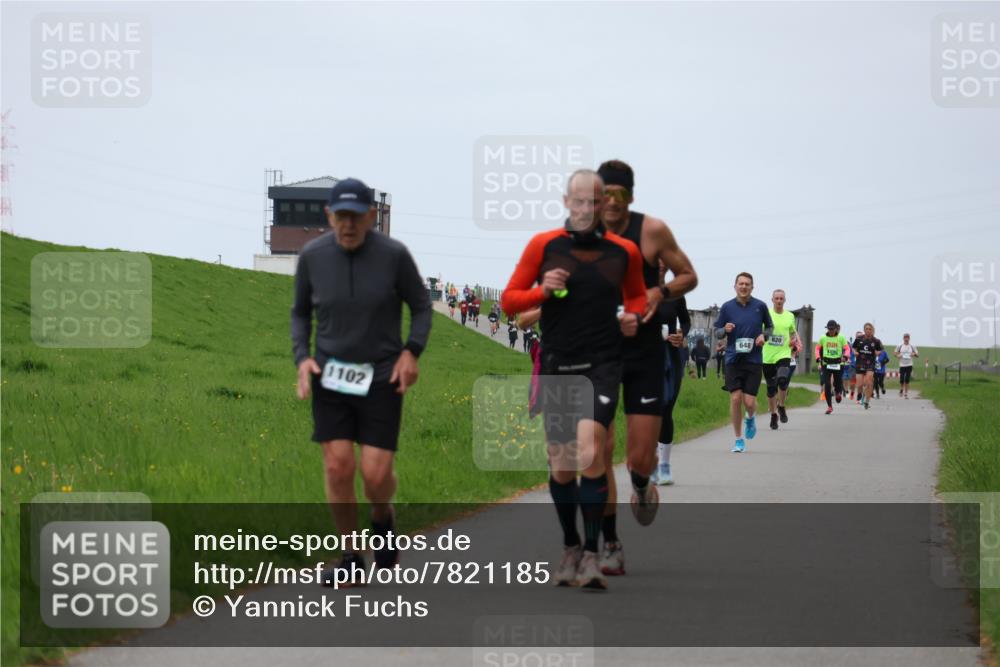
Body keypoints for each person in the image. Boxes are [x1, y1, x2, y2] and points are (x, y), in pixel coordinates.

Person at [501, 169, 647, 591]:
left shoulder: (623, 252)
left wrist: (634, 317)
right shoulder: (543, 246)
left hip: (601, 364)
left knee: (590, 449)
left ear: (604, 205)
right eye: (578, 201)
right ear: (567, 202)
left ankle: (590, 554)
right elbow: (511, 301)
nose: (586, 209)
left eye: (594, 202)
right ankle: (570, 545)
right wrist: (541, 291)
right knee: (562, 463)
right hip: (558, 361)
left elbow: (636, 295)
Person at [291, 178, 432, 583]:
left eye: (356, 216)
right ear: (328, 216)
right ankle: (351, 555)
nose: (348, 224)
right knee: (337, 467)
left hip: (383, 376)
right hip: (330, 374)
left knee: (374, 476)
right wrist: (302, 359)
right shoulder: (313, 257)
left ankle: (382, 515)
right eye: (341, 216)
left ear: (371, 216)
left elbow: (421, 306)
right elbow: (299, 313)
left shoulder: (394, 256)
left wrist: (412, 351)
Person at [595, 160, 698, 577]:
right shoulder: (581, 233)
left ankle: (641, 483)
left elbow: (689, 275)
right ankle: (610, 543)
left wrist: (660, 289)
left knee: (638, 458)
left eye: (620, 195)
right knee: (596, 448)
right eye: (606, 195)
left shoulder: (652, 231)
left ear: (630, 197)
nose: (612, 203)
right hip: (600, 353)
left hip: (644, 355)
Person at [714, 272, 773, 453]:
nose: (744, 287)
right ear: (735, 286)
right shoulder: (727, 307)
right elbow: (717, 331)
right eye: (741, 284)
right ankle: (738, 440)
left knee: (749, 402)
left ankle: (751, 417)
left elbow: (770, 327)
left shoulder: (760, 306)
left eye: (747, 284)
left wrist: (765, 335)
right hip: (732, 359)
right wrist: (724, 329)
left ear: (752, 287)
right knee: (735, 398)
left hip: (753, 359)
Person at [653, 294, 690, 486]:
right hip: (644, 358)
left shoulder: (675, 295)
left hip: (670, 358)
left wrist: (681, 334)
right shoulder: (634, 291)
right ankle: (650, 462)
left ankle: (664, 465)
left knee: (666, 410)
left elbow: (685, 321)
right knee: (649, 413)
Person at [762, 289, 800, 430]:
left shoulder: (790, 316)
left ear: (785, 300)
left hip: (784, 353)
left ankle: (782, 406)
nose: (779, 301)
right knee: (771, 388)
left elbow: (792, 332)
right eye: (776, 298)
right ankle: (773, 415)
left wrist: (793, 340)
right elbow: (760, 331)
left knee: (783, 380)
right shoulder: (766, 315)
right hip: (767, 356)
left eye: (781, 298)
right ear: (772, 300)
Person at [816, 319, 848, 414]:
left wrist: (845, 357)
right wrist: (818, 358)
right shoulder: (823, 338)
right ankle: (829, 406)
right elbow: (817, 348)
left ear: (836, 329)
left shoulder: (841, 337)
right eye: (829, 329)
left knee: (838, 382)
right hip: (826, 363)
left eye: (833, 329)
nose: (831, 331)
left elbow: (847, 349)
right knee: (827, 384)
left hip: (838, 363)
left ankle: (838, 393)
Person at [852, 323, 884, 410]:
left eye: (870, 329)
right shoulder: (859, 339)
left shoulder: (876, 341)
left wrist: (878, 353)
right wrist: (855, 352)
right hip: (860, 362)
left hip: (870, 363)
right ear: (864, 330)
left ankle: (867, 401)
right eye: (866, 329)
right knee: (859, 384)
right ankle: (859, 393)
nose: (868, 330)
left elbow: (880, 349)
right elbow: (853, 347)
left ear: (872, 330)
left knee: (869, 382)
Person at [895, 333, 920, 398]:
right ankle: (901, 389)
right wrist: (898, 355)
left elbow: (917, 355)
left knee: (907, 379)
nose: (906, 339)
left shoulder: (912, 346)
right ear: (903, 338)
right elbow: (895, 353)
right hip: (902, 365)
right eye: (905, 338)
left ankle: (906, 393)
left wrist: (913, 354)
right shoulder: (900, 346)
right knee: (902, 379)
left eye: (907, 338)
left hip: (909, 364)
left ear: (909, 339)